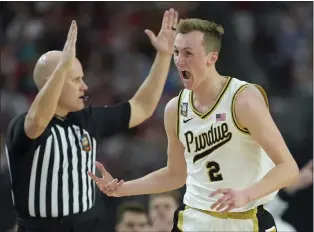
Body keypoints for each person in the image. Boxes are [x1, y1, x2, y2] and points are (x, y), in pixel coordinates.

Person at [88, 18, 299, 231]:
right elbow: (175, 174)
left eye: (188, 53)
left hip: (245, 219)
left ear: (211, 58)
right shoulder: (175, 109)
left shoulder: (243, 99)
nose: (179, 61)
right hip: (194, 219)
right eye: (177, 52)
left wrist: (246, 194)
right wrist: (122, 189)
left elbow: (289, 169)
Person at [5, 8, 179, 232]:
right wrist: (61, 69)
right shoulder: (22, 127)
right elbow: (37, 121)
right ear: (53, 81)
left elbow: (141, 107)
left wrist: (164, 56)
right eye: (75, 79)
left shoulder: (87, 119)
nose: (84, 87)